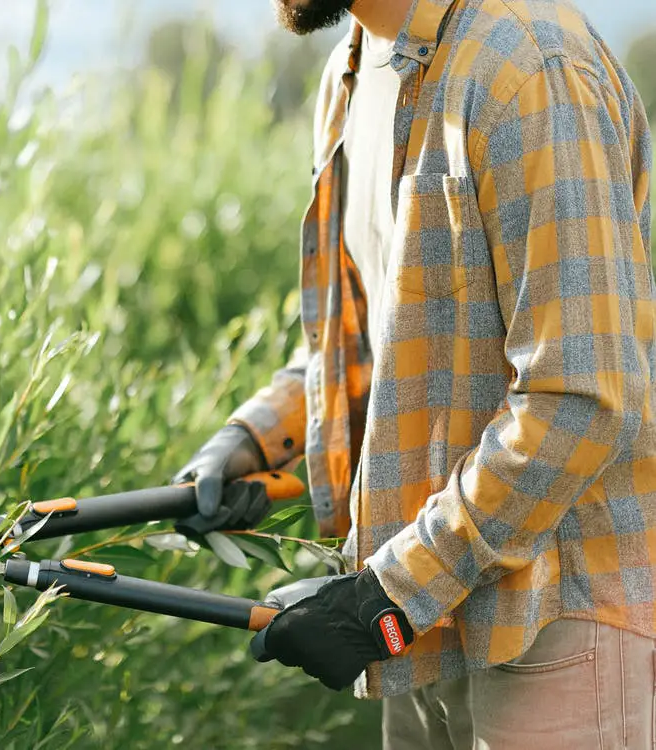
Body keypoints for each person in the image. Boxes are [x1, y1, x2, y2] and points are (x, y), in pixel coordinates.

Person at [173, 0, 654, 746]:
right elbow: (381, 337)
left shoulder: (527, 66)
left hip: (555, 626)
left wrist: (388, 595)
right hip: (427, 625)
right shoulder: (352, 70)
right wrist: (257, 436)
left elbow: (579, 396)